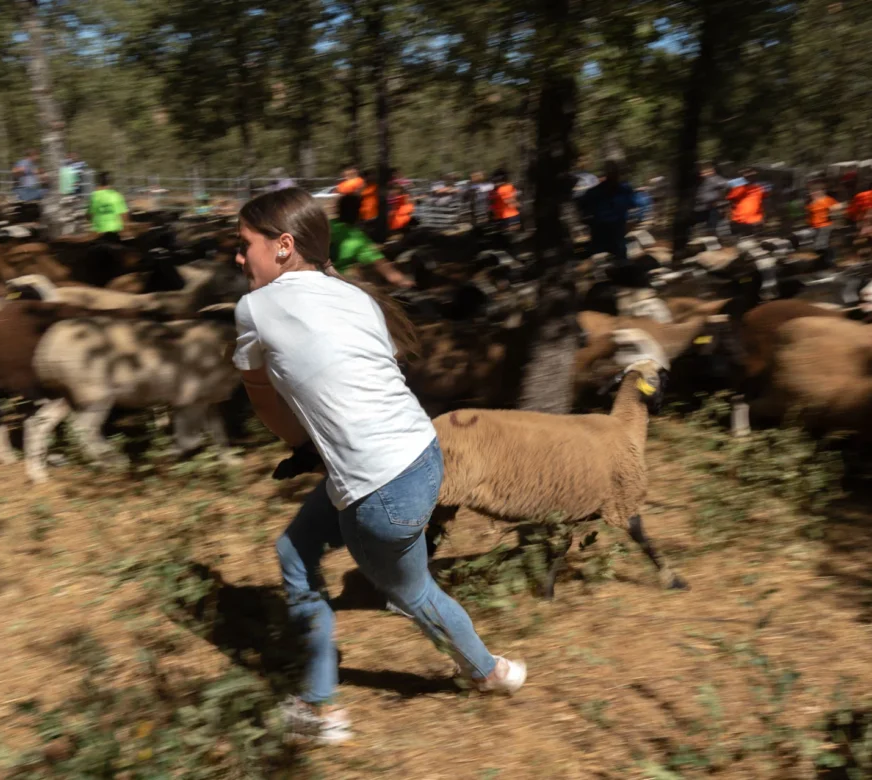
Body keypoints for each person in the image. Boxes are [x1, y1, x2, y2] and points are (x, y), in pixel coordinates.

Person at [232, 188, 525, 743]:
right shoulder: (353, 296)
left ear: (284, 246)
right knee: (294, 548)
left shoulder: (254, 308)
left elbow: (265, 399)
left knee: (412, 593)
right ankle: (482, 670)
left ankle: (332, 708)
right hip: (422, 453)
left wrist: (299, 441)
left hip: (380, 491)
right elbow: (373, 376)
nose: (238, 258)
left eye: (245, 245)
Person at [331, 193, 412, 288]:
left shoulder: (323, 225)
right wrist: (405, 282)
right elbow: (387, 271)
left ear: (338, 209)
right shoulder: (358, 238)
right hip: (336, 282)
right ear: (358, 212)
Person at [577, 159, 635, 262]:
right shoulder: (625, 191)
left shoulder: (593, 192)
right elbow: (632, 209)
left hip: (605, 236)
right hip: (609, 236)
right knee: (615, 261)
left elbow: (582, 210)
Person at [806, 180, 839, 267]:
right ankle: (825, 260)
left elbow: (836, 209)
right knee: (817, 246)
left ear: (822, 191)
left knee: (820, 246)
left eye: (816, 191)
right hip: (815, 226)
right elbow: (810, 214)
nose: (813, 193)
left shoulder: (828, 200)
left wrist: (833, 218)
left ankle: (829, 261)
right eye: (812, 191)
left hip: (825, 226)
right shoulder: (812, 203)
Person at [88, 171, 128, 239]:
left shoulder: (94, 196)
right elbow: (124, 215)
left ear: (98, 182)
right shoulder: (116, 195)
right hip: (115, 232)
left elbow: (89, 215)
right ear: (110, 182)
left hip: (99, 233)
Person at [726, 168, 765, 238]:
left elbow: (760, 202)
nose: (751, 178)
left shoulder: (758, 188)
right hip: (744, 218)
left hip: (752, 217)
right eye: (748, 176)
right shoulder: (740, 189)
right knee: (747, 235)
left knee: (752, 236)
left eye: (752, 176)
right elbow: (731, 199)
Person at [693, 162, 727, 235]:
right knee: (701, 227)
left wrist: (719, 200)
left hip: (713, 208)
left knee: (713, 226)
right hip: (700, 208)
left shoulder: (715, 179)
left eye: (708, 171)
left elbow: (726, 185)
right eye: (703, 172)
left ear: (713, 171)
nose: (705, 174)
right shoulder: (698, 182)